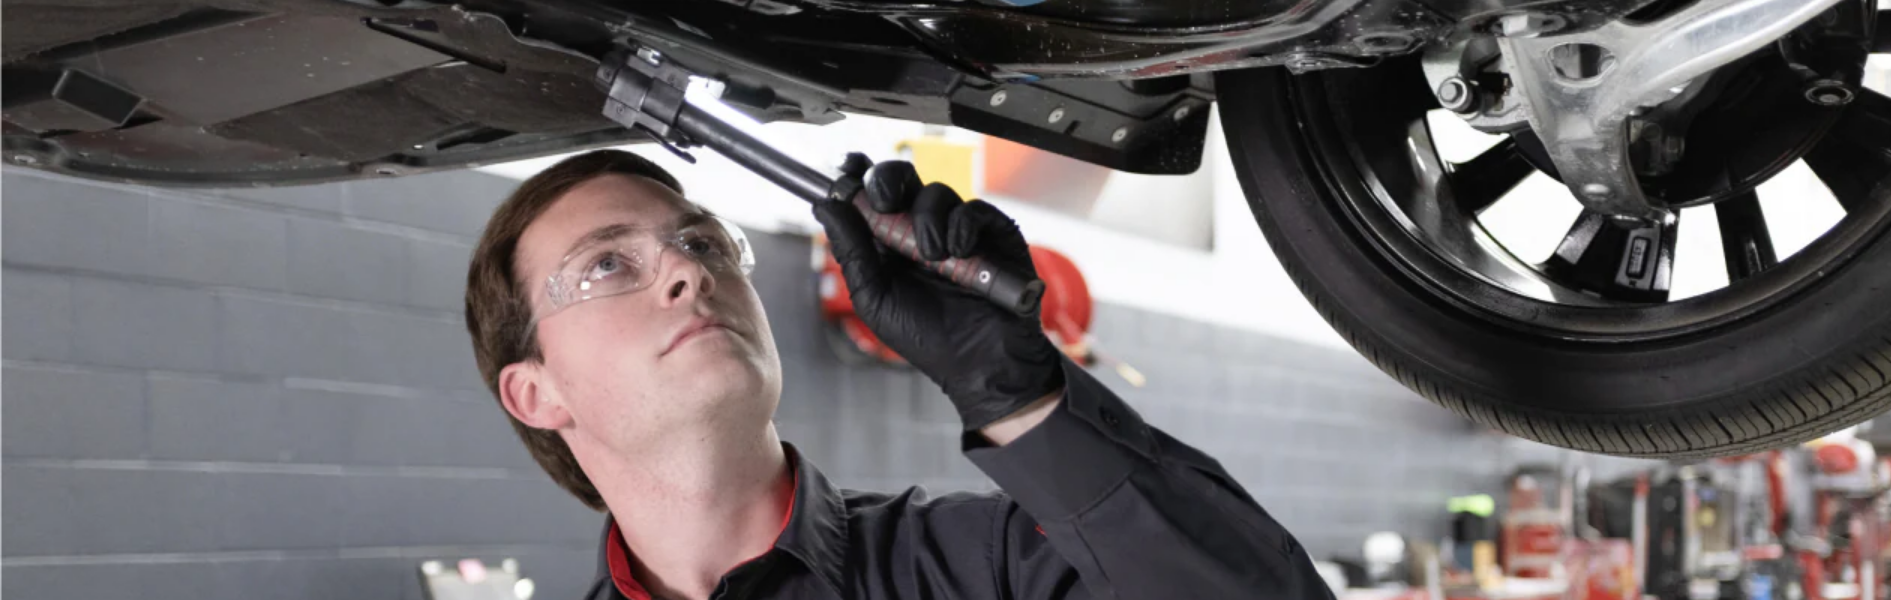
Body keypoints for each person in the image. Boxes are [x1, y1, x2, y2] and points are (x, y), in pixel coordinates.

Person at [463, 149, 1334, 600]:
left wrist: (1021, 401)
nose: (687, 272)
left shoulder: (985, 568)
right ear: (536, 393)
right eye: (606, 266)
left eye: (699, 241)